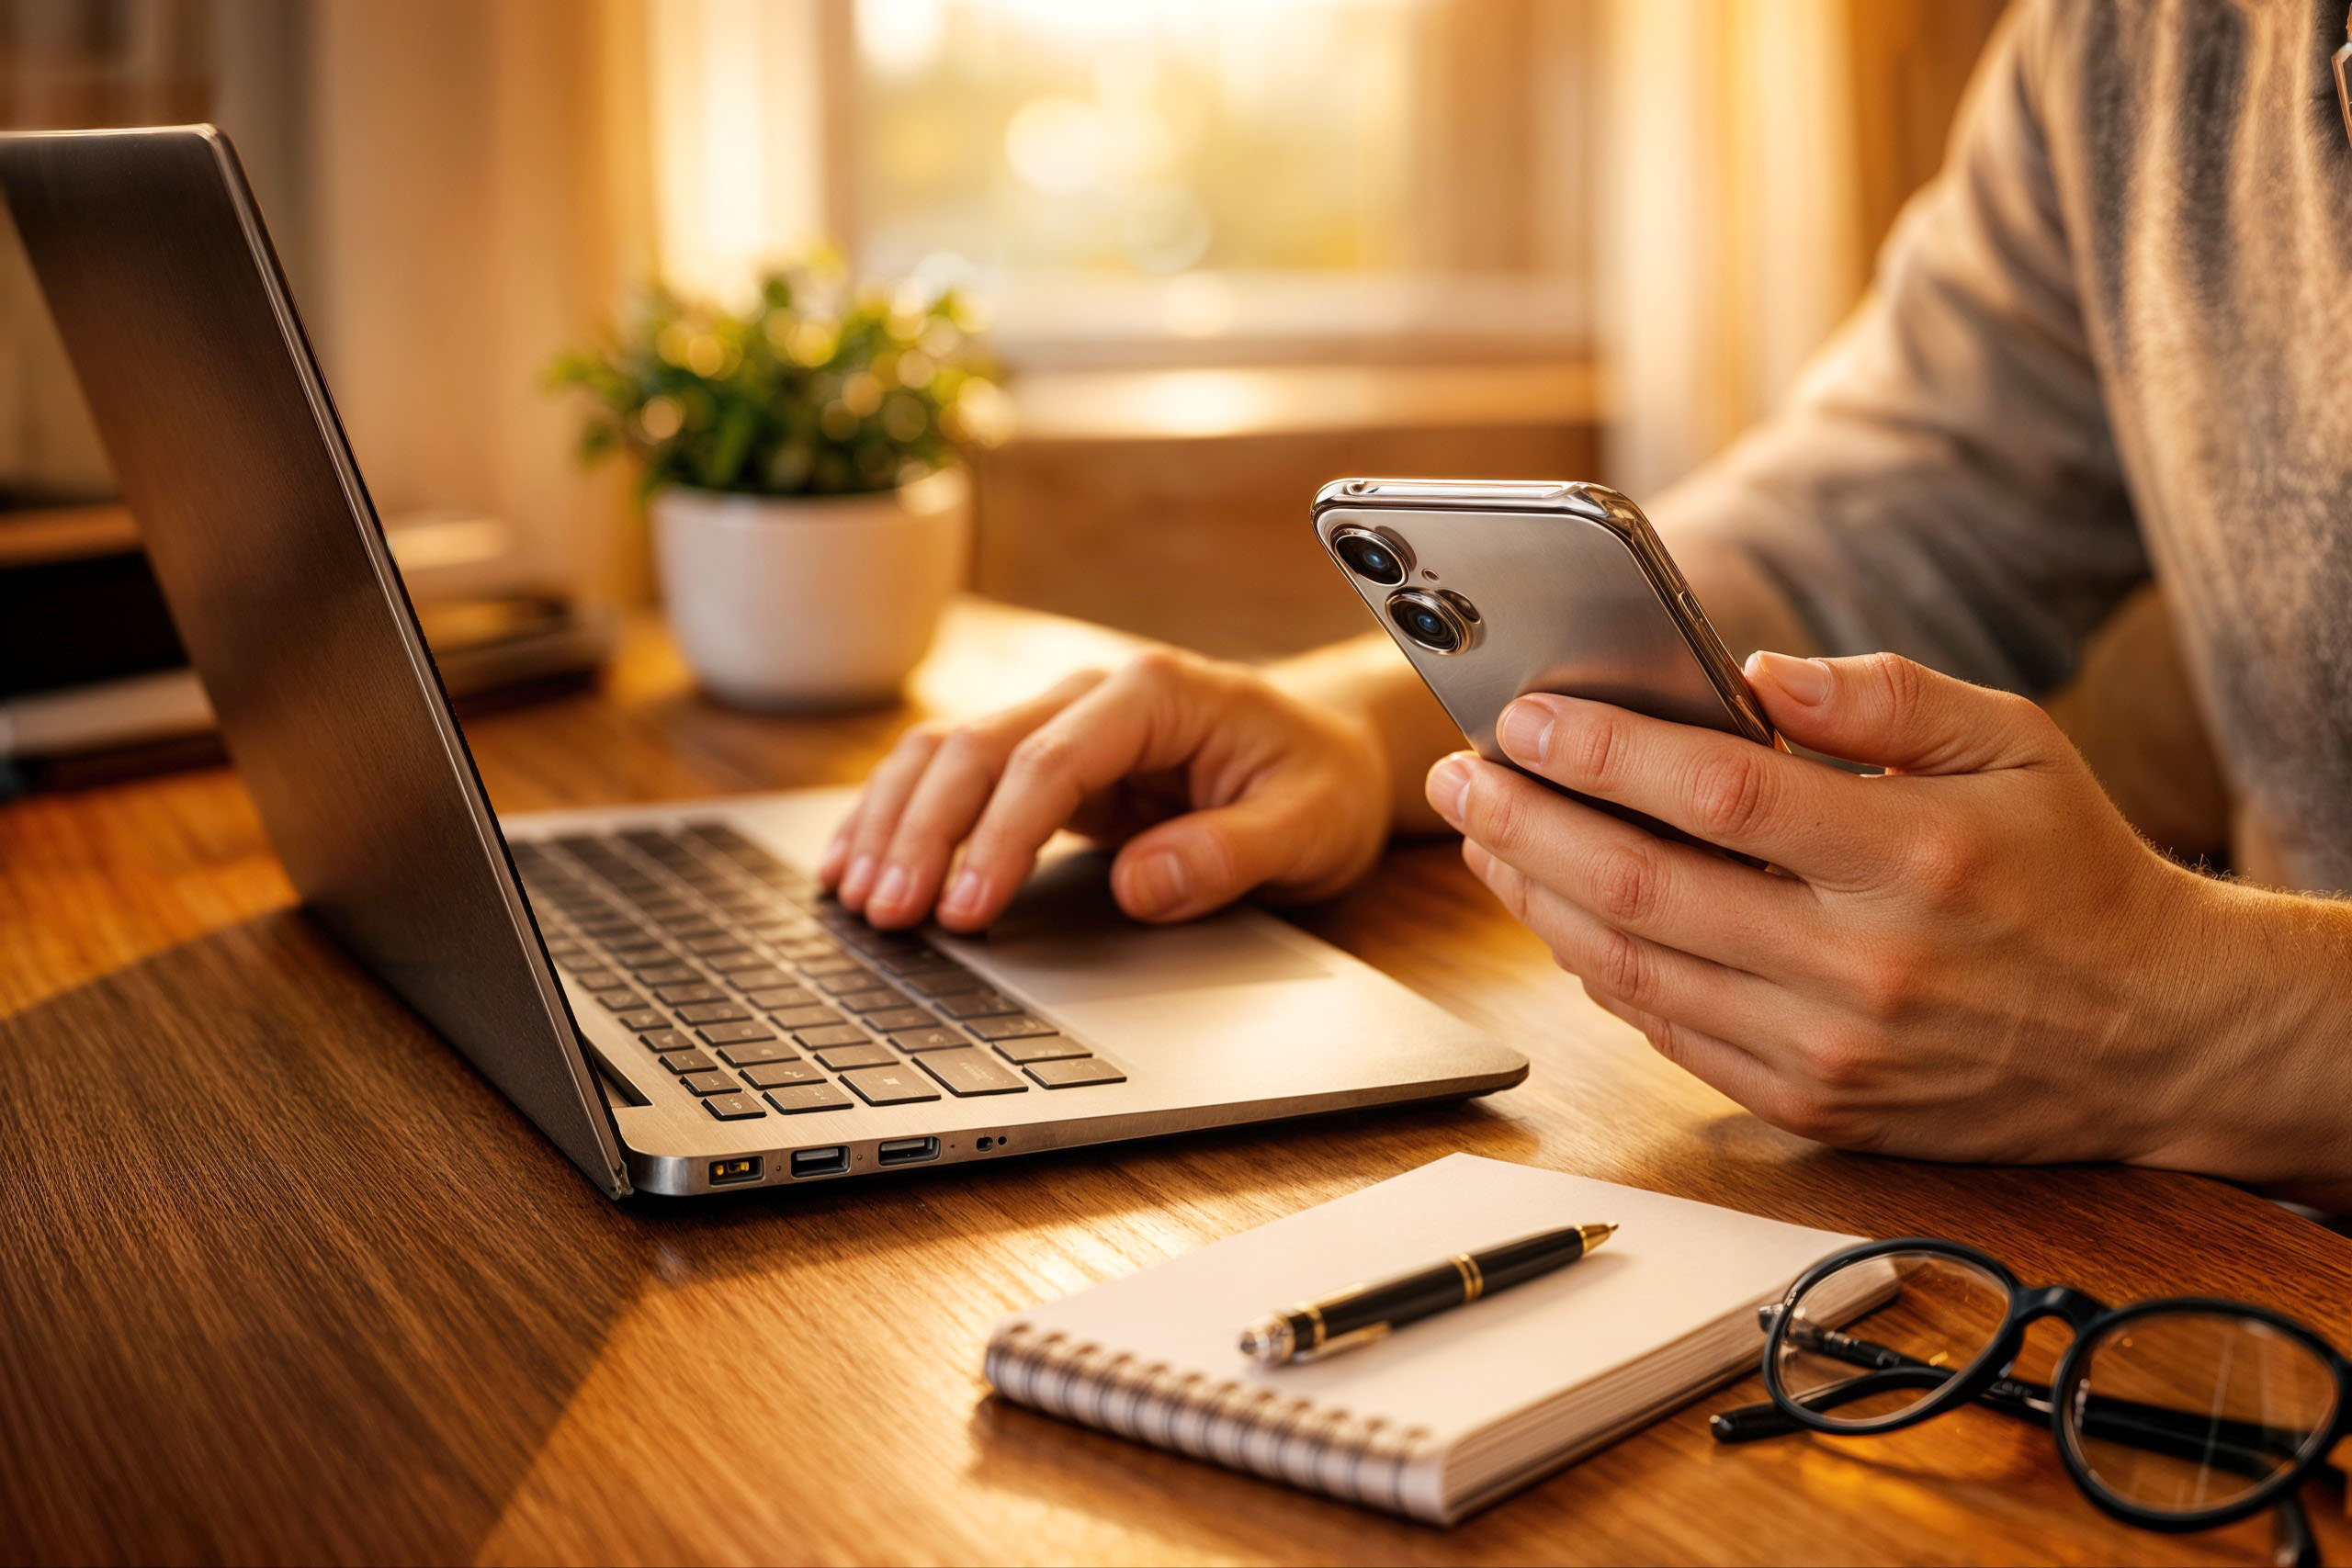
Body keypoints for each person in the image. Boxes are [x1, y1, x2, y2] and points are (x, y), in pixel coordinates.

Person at [820, 0, 2352, 1208]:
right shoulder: (2129, 41)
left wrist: (2204, 1019)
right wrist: (1353, 724)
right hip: (2256, 1293)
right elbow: (1891, 510)